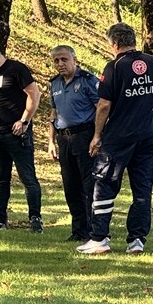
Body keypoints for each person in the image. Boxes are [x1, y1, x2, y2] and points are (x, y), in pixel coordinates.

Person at [78, 23, 153, 255]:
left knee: (105, 184)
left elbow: (104, 105)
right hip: (148, 135)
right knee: (142, 188)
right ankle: (137, 240)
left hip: (119, 136)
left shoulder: (114, 67)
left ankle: (99, 238)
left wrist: (97, 135)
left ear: (115, 44)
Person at [0, 37, 43, 231]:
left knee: (28, 178)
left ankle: (35, 218)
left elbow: (34, 94)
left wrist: (24, 121)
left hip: (17, 134)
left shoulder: (16, 69)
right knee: (0, 179)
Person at [47, 46, 99, 242]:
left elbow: (101, 109)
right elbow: (54, 114)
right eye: (56, 61)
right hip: (64, 138)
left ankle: (94, 229)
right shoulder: (55, 84)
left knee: (89, 184)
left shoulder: (88, 80)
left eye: (64, 59)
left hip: (84, 135)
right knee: (70, 185)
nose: (60, 64)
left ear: (74, 60)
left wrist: (98, 136)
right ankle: (78, 230)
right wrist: (51, 141)